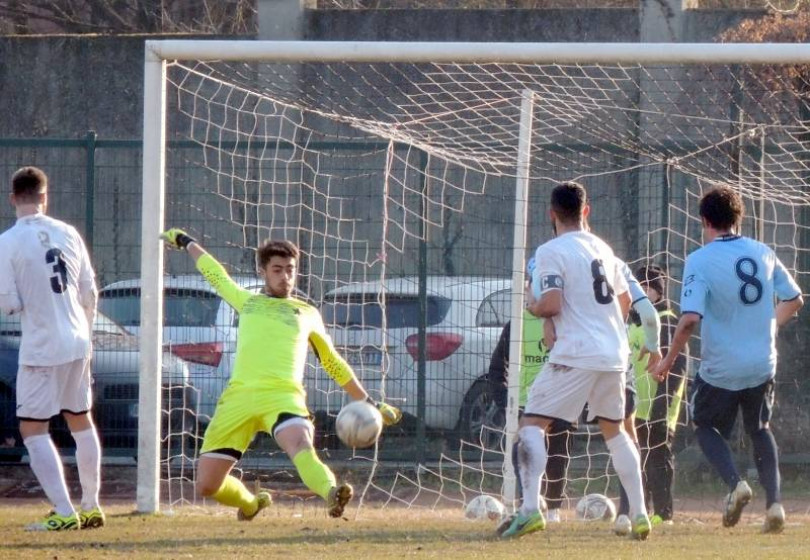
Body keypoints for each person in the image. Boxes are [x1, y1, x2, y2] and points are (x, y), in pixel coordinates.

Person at [160, 229, 401, 520]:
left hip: (283, 397)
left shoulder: (307, 313)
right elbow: (215, 274)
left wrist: (368, 402)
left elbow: (332, 361)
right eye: (277, 269)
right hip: (239, 399)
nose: (285, 276)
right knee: (207, 486)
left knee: (301, 444)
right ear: (263, 271)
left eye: (290, 270)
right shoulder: (247, 302)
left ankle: (331, 493)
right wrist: (187, 242)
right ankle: (250, 504)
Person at [498, 181, 653, 541]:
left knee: (531, 425)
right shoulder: (605, 249)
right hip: (614, 355)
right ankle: (641, 513)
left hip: (577, 353)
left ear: (551, 214)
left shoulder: (552, 250)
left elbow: (550, 302)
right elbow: (626, 301)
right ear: (587, 211)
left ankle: (530, 510)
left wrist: (535, 308)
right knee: (615, 432)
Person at [652, 186, 803, 534]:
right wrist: (767, 326)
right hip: (762, 362)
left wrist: (667, 360)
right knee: (760, 429)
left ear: (704, 221)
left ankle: (736, 484)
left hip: (721, 367)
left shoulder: (700, 259)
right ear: (740, 218)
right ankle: (775, 504)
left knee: (704, 425)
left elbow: (689, 320)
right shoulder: (762, 251)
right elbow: (794, 299)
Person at [0, 167, 103, 531]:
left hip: (42, 346)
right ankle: (91, 505)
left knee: (32, 429)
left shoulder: (8, 242)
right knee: (80, 417)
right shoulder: (69, 232)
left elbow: (8, 303)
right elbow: (90, 292)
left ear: (13, 198)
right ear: (46, 196)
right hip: (78, 340)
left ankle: (63, 510)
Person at [488, 257, 571, 525]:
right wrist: (505, 401)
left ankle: (554, 508)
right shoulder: (516, 324)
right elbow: (496, 370)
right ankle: (528, 503)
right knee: (522, 452)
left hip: (559, 397)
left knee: (558, 452)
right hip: (527, 401)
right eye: (531, 284)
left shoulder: (565, 320)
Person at [630, 265, 687, 527]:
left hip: (660, 406)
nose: (640, 294)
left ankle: (664, 514)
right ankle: (640, 509)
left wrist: (663, 403)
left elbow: (678, 366)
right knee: (638, 459)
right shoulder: (633, 322)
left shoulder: (667, 320)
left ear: (657, 292)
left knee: (658, 457)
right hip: (636, 406)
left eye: (646, 288)